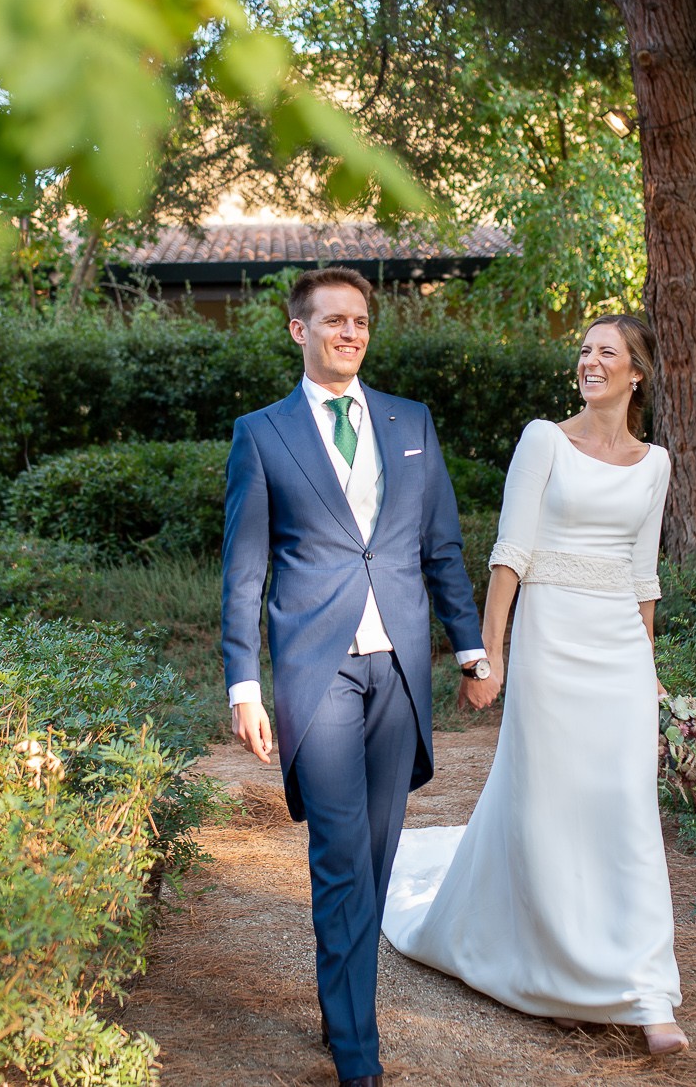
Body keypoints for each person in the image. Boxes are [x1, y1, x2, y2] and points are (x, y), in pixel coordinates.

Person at [380, 313, 690, 1056]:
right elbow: (511, 552)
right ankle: (556, 968)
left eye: (605, 352)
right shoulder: (543, 439)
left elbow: (644, 575)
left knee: (626, 806)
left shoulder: (657, 464)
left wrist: (649, 677)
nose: (589, 361)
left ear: (635, 372)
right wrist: (488, 655)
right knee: (547, 800)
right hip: (550, 638)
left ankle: (651, 993)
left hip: (618, 645)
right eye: (584, 350)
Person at [221, 267, 487, 1087]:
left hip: (401, 669)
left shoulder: (411, 422)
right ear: (297, 330)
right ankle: (358, 1051)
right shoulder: (262, 433)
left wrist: (470, 646)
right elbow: (245, 567)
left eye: (361, 320)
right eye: (333, 320)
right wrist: (244, 684)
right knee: (340, 857)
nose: (350, 332)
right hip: (318, 671)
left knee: (373, 856)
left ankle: (343, 1007)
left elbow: (439, 543)